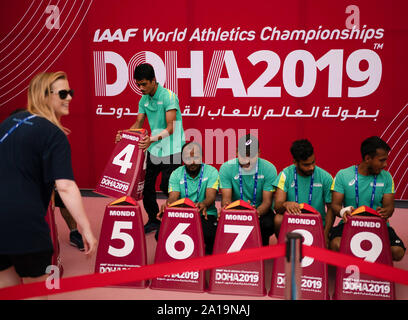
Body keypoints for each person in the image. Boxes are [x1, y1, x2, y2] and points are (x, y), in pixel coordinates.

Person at [0, 72, 97, 296]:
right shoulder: (53, 134)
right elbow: (65, 186)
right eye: (63, 93)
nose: (70, 98)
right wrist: (86, 228)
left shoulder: (7, 123)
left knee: (7, 291)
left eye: (70, 92)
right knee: (38, 293)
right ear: (44, 96)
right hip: (26, 225)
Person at [116, 63, 185, 234]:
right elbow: (138, 123)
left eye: (144, 84)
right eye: (138, 84)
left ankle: (178, 218)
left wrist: (151, 139)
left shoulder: (169, 96)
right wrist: (123, 136)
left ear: (153, 80)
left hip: (173, 148)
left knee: (168, 186)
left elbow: (171, 127)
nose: (140, 88)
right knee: (146, 187)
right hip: (154, 149)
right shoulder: (143, 100)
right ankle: (154, 219)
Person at [5, 109, 85, 251]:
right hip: (22, 182)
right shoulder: (7, 139)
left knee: (64, 199)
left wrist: (53, 192)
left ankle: (74, 233)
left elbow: (52, 167)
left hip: (46, 177)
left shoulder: (43, 137)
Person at [329, 136, 406, 261]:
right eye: (381, 160)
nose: (385, 164)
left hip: (379, 225)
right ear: (367, 158)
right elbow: (335, 205)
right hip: (350, 223)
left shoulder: (387, 177)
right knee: (335, 245)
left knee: (397, 252)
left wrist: (387, 211)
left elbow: (389, 207)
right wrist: (343, 211)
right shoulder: (343, 175)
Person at [156, 141, 219, 255]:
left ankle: (207, 258)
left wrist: (204, 204)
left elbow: (211, 196)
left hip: (204, 214)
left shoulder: (211, 171)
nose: (192, 162)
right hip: (182, 215)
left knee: (212, 235)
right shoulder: (176, 174)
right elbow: (173, 197)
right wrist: (168, 204)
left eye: (195, 157)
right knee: (159, 234)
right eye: (187, 158)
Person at [273, 139, 334, 247]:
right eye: (306, 165)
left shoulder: (326, 177)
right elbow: (277, 206)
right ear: (295, 162)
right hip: (293, 221)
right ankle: (283, 246)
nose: (311, 167)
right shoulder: (285, 174)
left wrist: (325, 234)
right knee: (278, 219)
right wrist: (286, 204)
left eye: (313, 162)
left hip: (317, 224)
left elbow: (330, 209)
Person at [219, 134, 277, 246]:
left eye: (251, 155)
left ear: (259, 153)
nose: (247, 160)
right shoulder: (226, 168)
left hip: (259, 211)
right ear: (236, 152)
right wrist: (238, 211)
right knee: (221, 217)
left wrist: (254, 213)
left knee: (269, 224)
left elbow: (267, 202)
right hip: (235, 210)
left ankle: (262, 249)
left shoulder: (269, 168)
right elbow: (226, 199)